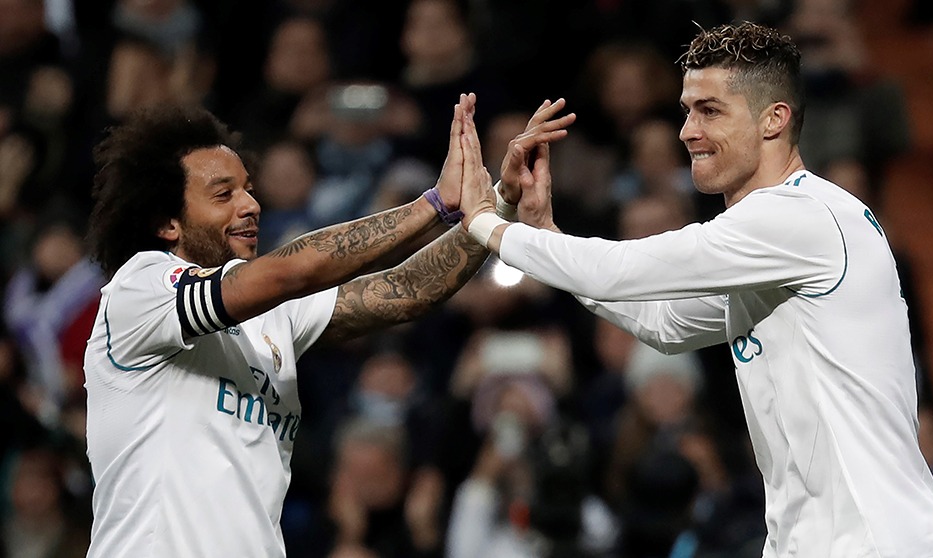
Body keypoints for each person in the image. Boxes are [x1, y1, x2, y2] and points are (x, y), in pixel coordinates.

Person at [457, 22, 933, 558]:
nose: (687, 131)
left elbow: (623, 268)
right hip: (809, 541)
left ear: (774, 119)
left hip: (874, 542)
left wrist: (486, 222)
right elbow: (667, 325)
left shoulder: (799, 217)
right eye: (687, 110)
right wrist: (546, 237)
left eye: (710, 111)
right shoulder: (774, 244)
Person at [81, 94, 571, 558]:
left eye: (248, 189)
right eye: (223, 194)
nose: (250, 204)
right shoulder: (142, 292)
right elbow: (292, 269)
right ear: (169, 223)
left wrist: (496, 205)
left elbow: (406, 289)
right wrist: (433, 205)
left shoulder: (274, 313)